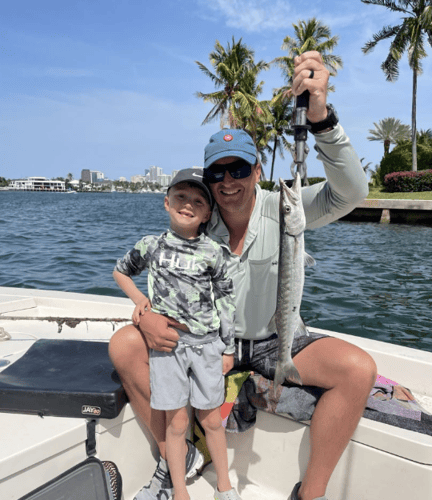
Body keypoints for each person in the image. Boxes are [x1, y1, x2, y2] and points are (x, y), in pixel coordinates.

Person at [109, 51, 378, 500]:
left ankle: (309, 493)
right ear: (207, 180)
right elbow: (162, 279)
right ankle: (170, 460)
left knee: (358, 370)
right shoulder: (196, 224)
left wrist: (322, 119)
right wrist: (143, 316)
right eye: (218, 172)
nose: (228, 181)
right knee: (123, 345)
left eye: (239, 169)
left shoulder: (286, 207)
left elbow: (352, 191)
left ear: (257, 170)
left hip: (278, 339)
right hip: (212, 341)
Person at [113, 169, 242, 500]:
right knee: (176, 424)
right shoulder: (151, 245)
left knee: (212, 421)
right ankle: (180, 491)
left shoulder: (215, 253)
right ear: (167, 201)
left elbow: (226, 303)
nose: (188, 205)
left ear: (208, 214)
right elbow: (120, 270)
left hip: (206, 346)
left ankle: (225, 486)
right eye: (181, 197)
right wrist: (141, 301)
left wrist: (228, 349)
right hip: (167, 348)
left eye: (199, 200)